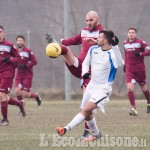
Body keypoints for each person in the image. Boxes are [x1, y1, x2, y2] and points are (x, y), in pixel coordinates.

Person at [56, 30, 123, 141]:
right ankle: (96, 135)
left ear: (105, 40)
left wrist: (115, 46)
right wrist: (84, 73)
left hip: (103, 89)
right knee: (87, 113)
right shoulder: (93, 49)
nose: (97, 38)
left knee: (86, 109)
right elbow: (86, 63)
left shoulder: (113, 54)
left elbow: (120, 63)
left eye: (99, 37)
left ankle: (65, 129)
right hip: (91, 85)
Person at [46, 10, 104, 139]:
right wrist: (64, 41)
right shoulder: (84, 31)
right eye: (87, 20)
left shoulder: (103, 33)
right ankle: (56, 46)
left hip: (91, 71)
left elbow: (112, 42)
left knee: (86, 105)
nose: (88, 22)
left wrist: (97, 42)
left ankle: (87, 131)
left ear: (97, 19)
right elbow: (77, 39)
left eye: (91, 20)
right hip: (80, 64)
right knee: (65, 49)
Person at [0, 25, 26, 126]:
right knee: (4, 97)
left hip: (7, 73)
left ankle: (5, 120)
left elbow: (18, 59)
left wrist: (10, 59)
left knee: (1, 94)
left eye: (0, 31)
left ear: (3, 33)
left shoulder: (9, 45)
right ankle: (19, 104)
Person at [123, 27, 150, 115]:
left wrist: (141, 53)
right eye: (130, 32)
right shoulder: (125, 43)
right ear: (128, 34)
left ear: (136, 34)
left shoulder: (140, 43)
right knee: (130, 88)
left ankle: (149, 102)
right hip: (129, 69)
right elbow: (126, 55)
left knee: (144, 88)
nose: (131, 34)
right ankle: (133, 109)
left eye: (133, 32)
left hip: (140, 69)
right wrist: (125, 65)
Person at [15, 35, 42, 108]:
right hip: (19, 75)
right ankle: (22, 107)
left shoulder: (28, 51)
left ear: (24, 42)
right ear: (16, 42)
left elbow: (35, 61)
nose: (20, 42)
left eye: (21, 40)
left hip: (27, 75)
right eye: (19, 40)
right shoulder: (15, 51)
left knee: (24, 94)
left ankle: (36, 96)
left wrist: (26, 65)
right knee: (17, 91)